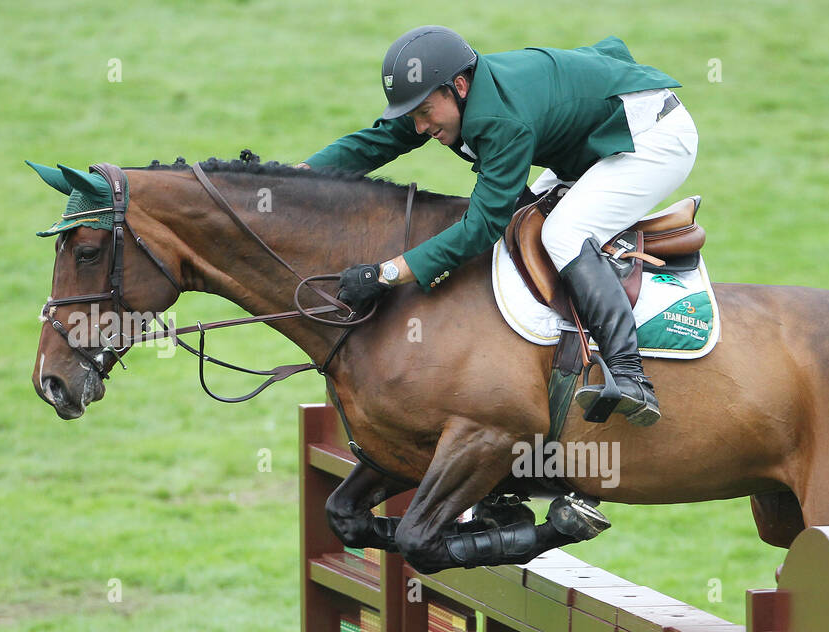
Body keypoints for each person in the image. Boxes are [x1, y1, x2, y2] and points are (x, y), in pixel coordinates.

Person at [298, 26, 698, 426]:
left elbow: (481, 225)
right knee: (524, 229)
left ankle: (630, 375)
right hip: (594, 138)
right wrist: (292, 176)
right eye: (413, 116)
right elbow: (377, 142)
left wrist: (386, 274)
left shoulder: (499, 119)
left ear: (458, 86)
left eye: (423, 114)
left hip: (650, 138)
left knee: (561, 234)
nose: (420, 128)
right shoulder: (452, 95)